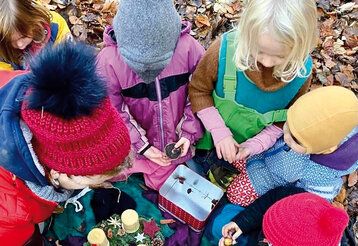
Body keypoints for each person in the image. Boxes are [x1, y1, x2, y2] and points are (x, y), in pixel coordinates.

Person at [0, 41, 131, 245]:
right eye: (91, 181)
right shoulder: (9, 215)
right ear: (56, 174)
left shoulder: (37, 93)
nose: (96, 186)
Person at [188, 0, 318, 180]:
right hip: (205, 135)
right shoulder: (224, 50)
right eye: (259, 51)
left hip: (250, 150)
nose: (267, 62)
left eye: (280, 56)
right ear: (247, 34)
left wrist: (256, 144)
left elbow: (287, 118)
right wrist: (219, 131)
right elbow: (198, 91)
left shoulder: (301, 73)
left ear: (300, 47)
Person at [97, 0, 204, 190]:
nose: (149, 71)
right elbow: (111, 111)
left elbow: (200, 93)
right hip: (131, 141)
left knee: (162, 185)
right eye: (138, 64)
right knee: (101, 173)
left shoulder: (189, 48)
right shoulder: (108, 62)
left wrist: (188, 133)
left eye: (159, 62)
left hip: (177, 138)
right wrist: (141, 146)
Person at [225, 86, 358, 206]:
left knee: (235, 195)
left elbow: (310, 203)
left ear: (325, 149)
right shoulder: (313, 122)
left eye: (296, 139)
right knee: (232, 154)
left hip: (273, 180)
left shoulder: (323, 174)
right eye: (288, 124)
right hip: (267, 153)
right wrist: (252, 146)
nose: (286, 137)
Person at [217, 188, 349, 246]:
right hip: (255, 236)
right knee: (219, 223)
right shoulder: (301, 201)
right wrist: (243, 222)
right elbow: (271, 200)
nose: (268, 240)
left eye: (271, 242)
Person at [0, 0, 71, 71]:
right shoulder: (2, 48)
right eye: (10, 41)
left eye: (23, 36)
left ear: (33, 20)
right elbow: (5, 76)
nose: (20, 45)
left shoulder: (56, 26)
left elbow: (69, 57)